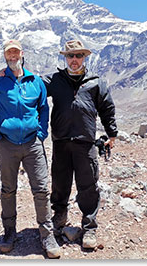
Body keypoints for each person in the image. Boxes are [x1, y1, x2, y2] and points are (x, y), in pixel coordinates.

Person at [0, 39, 61, 258]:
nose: (13, 56)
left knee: (41, 189)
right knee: (8, 190)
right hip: (7, 145)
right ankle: (9, 233)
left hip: (32, 144)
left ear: (22, 53)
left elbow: (43, 108)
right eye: (9, 53)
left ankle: (47, 235)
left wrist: (41, 133)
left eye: (16, 52)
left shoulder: (35, 81)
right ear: (5, 56)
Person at [43, 40, 117, 249]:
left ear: (85, 57)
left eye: (78, 56)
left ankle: (90, 227)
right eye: (70, 56)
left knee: (88, 186)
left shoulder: (96, 82)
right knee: (59, 182)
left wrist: (112, 133)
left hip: (86, 143)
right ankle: (59, 218)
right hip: (61, 141)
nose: (74, 60)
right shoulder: (54, 80)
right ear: (65, 58)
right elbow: (31, 85)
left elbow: (107, 108)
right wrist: (8, 72)